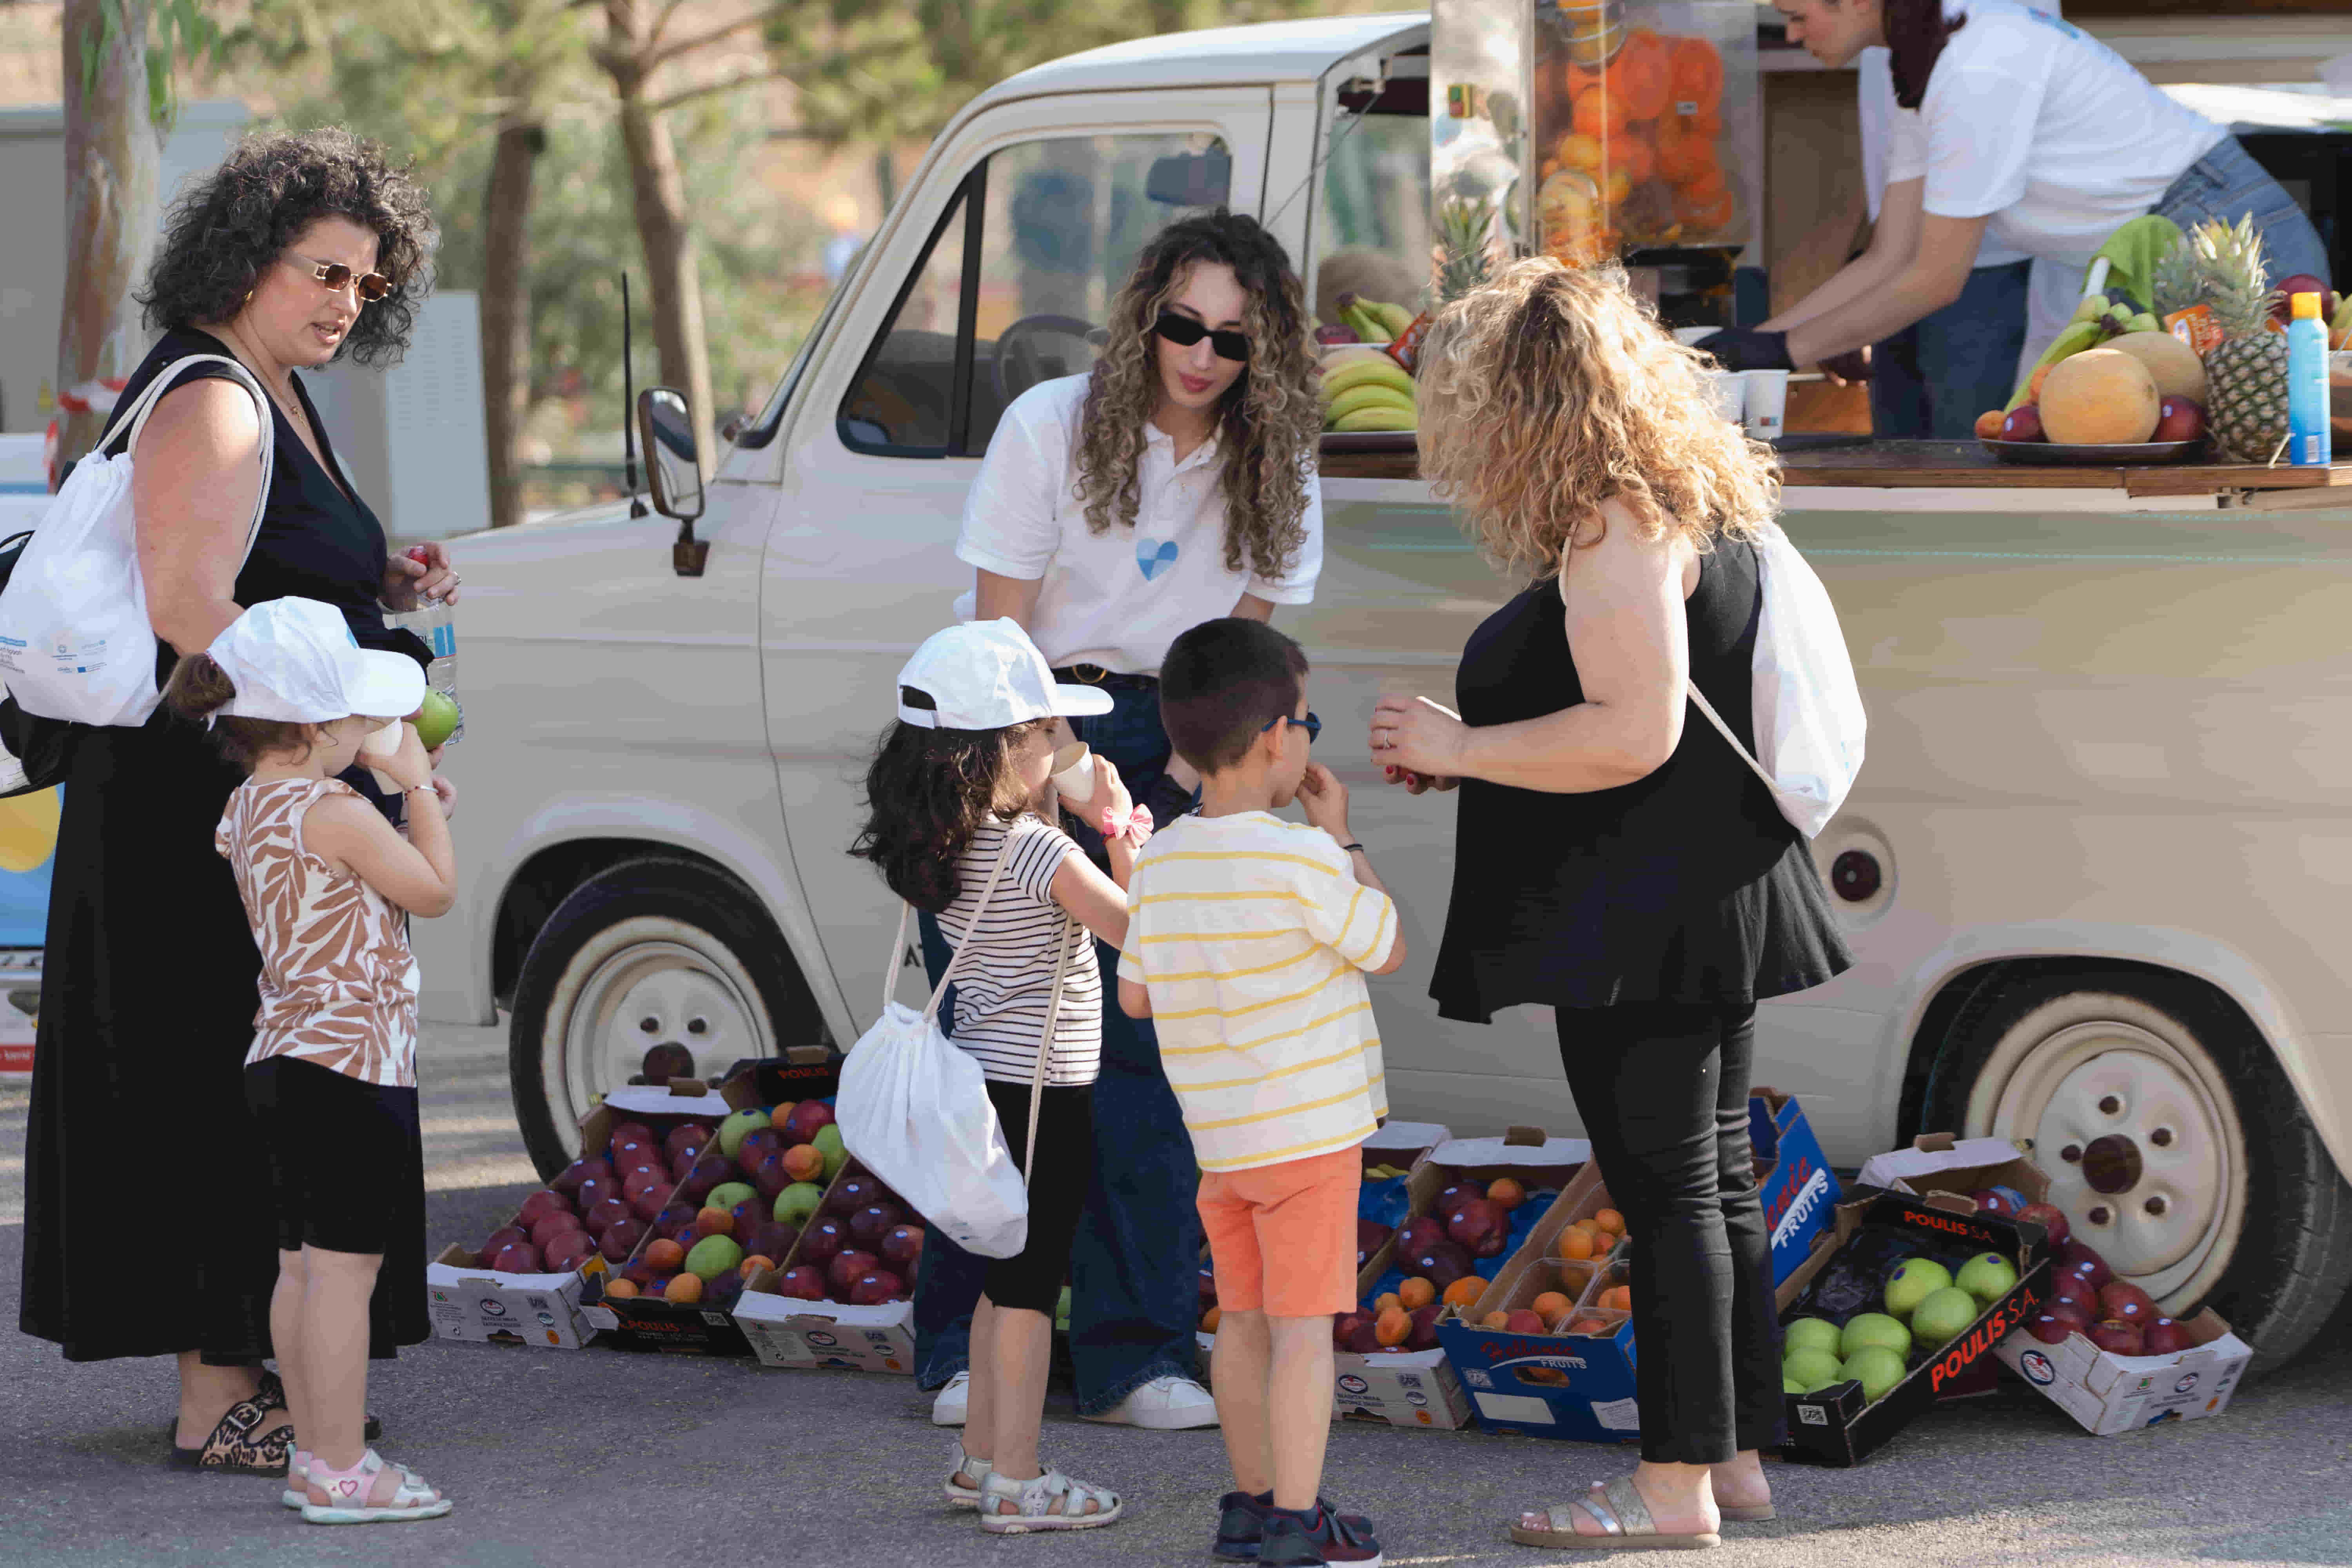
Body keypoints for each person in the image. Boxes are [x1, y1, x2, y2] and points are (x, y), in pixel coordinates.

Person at [1372, 260, 1852, 1550]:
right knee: (1718, 1189)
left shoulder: (1611, 524)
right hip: (1702, 889)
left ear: (1516, 404)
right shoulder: (1683, 499)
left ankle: (1670, 1489)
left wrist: (1464, 745)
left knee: (1672, 1196)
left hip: (1646, 909)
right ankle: (1738, 1458)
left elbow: (1633, 734)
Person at [18, 127, 457, 1474]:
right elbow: (192, 609)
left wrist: (375, 591)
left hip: (255, 789)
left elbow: (264, 573)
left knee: (270, 1075)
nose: (344, 302)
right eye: (322, 272)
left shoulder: (273, 387)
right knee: (231, 1077)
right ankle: (219, 1396)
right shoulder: (214, 395)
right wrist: (356, 728)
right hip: (203, 804)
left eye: (367, 286)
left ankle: (258, 1369)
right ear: (243, 263)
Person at [917, 209, 1325, 1431]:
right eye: (1181, 325)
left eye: (1233, 341)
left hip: (1177, 727)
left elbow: (1249, 653)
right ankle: (956, 1351)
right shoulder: (1049, 423)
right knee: (1001, 1050)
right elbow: (997, 641)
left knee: (1155, 1052)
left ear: (1269, 352)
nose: (1201, 355)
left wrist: (1230, 789)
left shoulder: (1278, 456)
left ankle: (1137, 1351)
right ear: (1145, 312)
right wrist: (1062, 769)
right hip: (1011, 722)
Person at [851, 619, 1148, 1533]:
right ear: (998, 749)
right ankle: (1019, 1477)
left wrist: (1062, 804)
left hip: (984, 1078)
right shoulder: (1038, 852)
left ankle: (980, 1454)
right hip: (1042, 1091)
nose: (1064, 747)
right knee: (1029, 1286)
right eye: (1047, 734)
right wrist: (1125, 836)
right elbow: (1140, 933)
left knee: (997, 1274)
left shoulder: (949, 838)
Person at [164, 597, 457, 1524]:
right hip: (351, 1066)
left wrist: (382, 785)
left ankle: (316, 1455)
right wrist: (414, 790)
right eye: (357, 716)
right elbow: (434, 890)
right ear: (314, 723)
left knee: (301, 1266)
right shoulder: (334, 809)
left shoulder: (247, 806)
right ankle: (339, 1465)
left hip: (281, 1059)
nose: (373, 730)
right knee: (347, 1273)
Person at [1118, 618, 1400, 1568]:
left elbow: (1137, 992)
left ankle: (1246, 1502)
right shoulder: (1301, 859)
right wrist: (1343, 835)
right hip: (1310, 1139)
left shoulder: (1161, 861)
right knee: (1303, 1333)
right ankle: (1297, 1512)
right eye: (1310, 718)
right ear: (1280, 734)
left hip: (1224, 1143)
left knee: (1239, 1322)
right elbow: (1385, 944)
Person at [1704, 0, 2328, 391]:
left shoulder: (1978, 65)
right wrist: (1749, 348)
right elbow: (1889, 256)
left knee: (2253, 461)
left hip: (2218, 236)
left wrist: (1787, 351)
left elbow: (1935, 279)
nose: (1789, 34)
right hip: (2146, 250)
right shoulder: (1926, 64)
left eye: (1796, 15)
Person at [1846, 2, 2060, 437]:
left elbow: (1981, 137)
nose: (1794, 32)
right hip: (1900, 255)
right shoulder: (1882, 26)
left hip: (1984, 265)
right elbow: (1898, 151)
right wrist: (1860, 265)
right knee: (1894, 463)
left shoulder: (1983, 22)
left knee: (1966, 459)